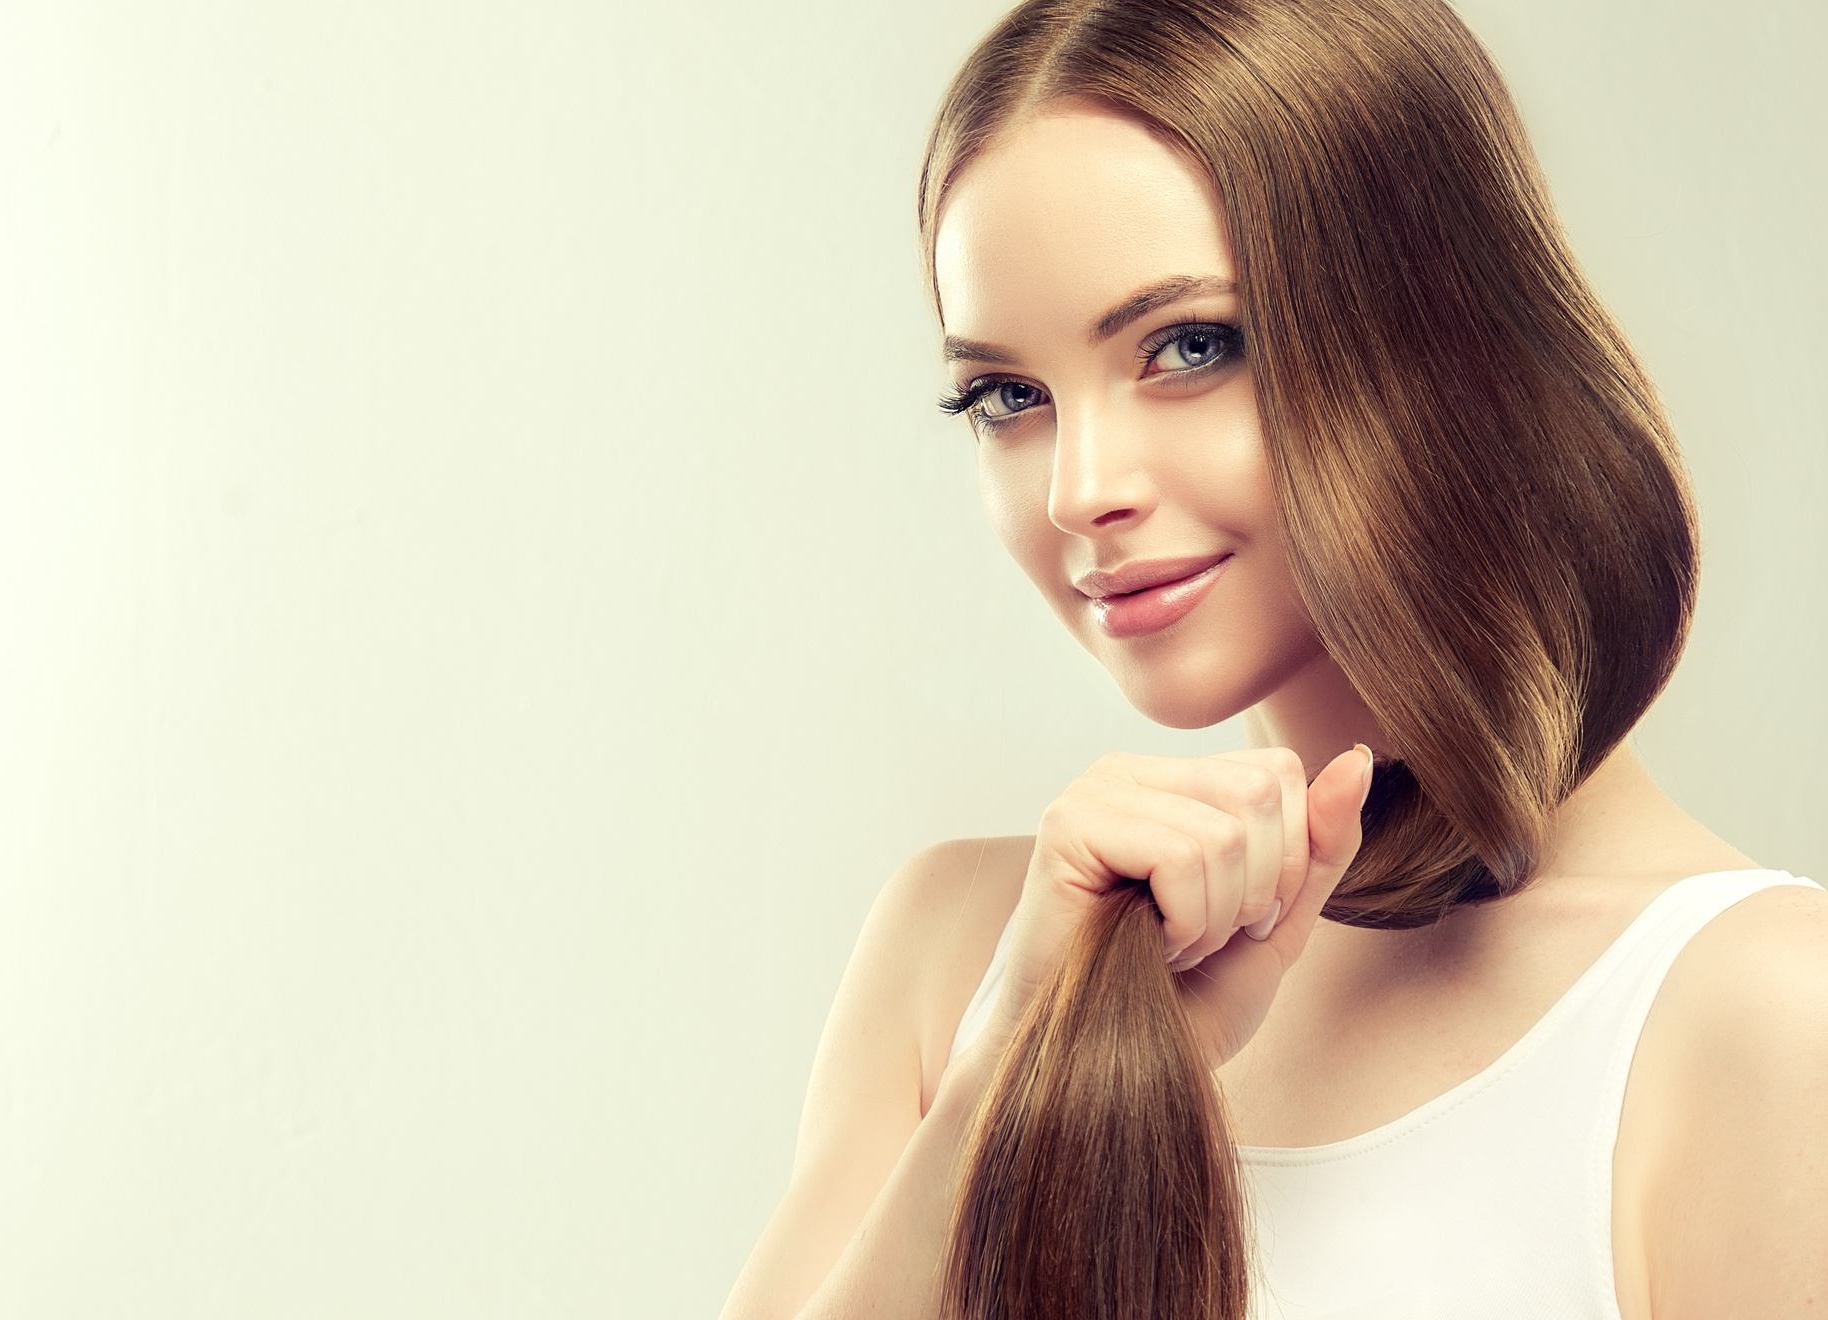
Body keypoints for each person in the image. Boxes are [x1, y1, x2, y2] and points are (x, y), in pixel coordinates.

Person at [722, 1, 1828, 1316]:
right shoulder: (960, 956)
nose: (1077, 488)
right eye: (1007, 397)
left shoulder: (1753, 1018)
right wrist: (1011, 1076)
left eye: (1190, 347)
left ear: (1438, 339)